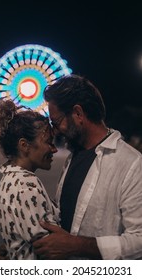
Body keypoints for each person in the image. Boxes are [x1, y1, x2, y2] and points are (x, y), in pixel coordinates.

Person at [32, 74, 142, 260]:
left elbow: (139, 241)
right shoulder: (73, 156)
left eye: (56, 122)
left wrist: (77, 246)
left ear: (78, 114)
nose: (55, 130)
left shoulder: (132, 164)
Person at [0, 98, 60, 260]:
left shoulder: (9, 178)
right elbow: (51, 248)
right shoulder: (26, 185)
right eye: (49, 142)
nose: (54, 150)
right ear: (24, 145)